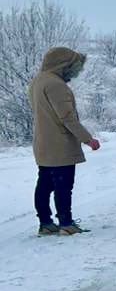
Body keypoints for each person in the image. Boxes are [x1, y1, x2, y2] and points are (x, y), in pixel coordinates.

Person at [29, 47, 101, 235]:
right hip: (59, 144)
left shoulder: (38, 81)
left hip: (43, 142)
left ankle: (45, 223)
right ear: (64, 65)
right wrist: (88, 139)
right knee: (63, 185)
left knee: (45, 184)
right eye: (74, 67)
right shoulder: (56, 85)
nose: (76, 72)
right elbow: (67, 118)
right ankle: (66, 224)